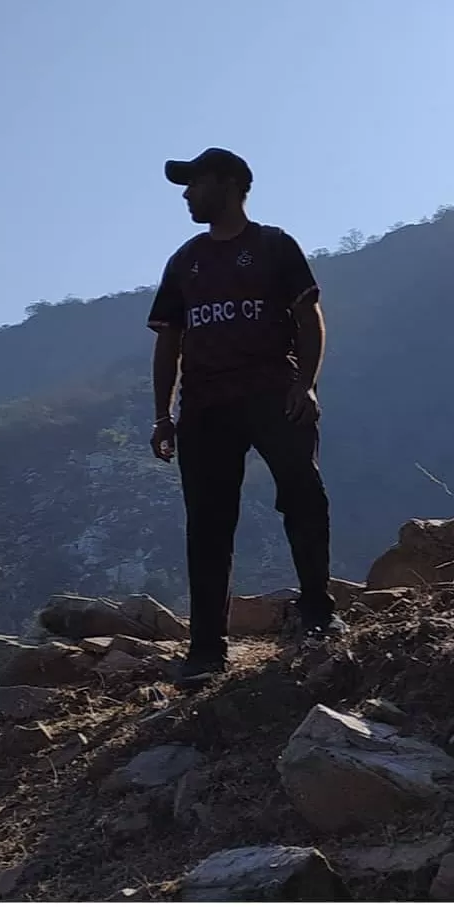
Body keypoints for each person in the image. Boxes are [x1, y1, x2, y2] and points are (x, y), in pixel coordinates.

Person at [146, 146, 346, 686]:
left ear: (230, 184)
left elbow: (309, 319)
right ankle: (207, 649)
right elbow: (169, 343)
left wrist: (305, 385)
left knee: (302, 493)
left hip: (271, 393)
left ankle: (319, 617)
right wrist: (163, 416)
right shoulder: (184, 261)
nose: (187, 194)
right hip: (205, 408)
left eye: (195, 183)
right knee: (207, 525)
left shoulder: (274, 247)